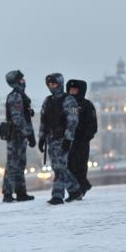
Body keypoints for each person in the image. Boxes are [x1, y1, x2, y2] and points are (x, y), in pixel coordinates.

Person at [38, 73, 84, 205]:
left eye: (54, 84)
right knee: (58, 167)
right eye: (49, 85)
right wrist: (41, 138)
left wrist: (68, 138)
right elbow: (43, 121)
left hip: (63, 138)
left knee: (59, 166)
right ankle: (75, 190)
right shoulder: (47, 101)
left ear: (60, 84)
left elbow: (73, 120)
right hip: (51, 139)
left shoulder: (69, 100)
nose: (51, 87)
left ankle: (57, 196)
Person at [2, 70, 36, 203]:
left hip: (20, 136)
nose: (24, 81)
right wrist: (29, 134)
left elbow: (23, 115)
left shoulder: (21, 95)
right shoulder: (16, 96)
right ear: (15, 82)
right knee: (13, 165)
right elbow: (18, 119)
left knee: (20, 164)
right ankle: (8, 194)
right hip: (16, 136)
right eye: (21, 80)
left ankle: (21, 193)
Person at [66, 79, 98, 197]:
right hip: (68, 141)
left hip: (82, 141)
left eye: (75, 89)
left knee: (80, 166)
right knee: (68, 167)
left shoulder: (87, 105)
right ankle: (76, 189)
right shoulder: (66, 104)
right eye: (71, 89)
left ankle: (81, 189)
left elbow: (92, 124)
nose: (73, 91)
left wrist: (86, 137)